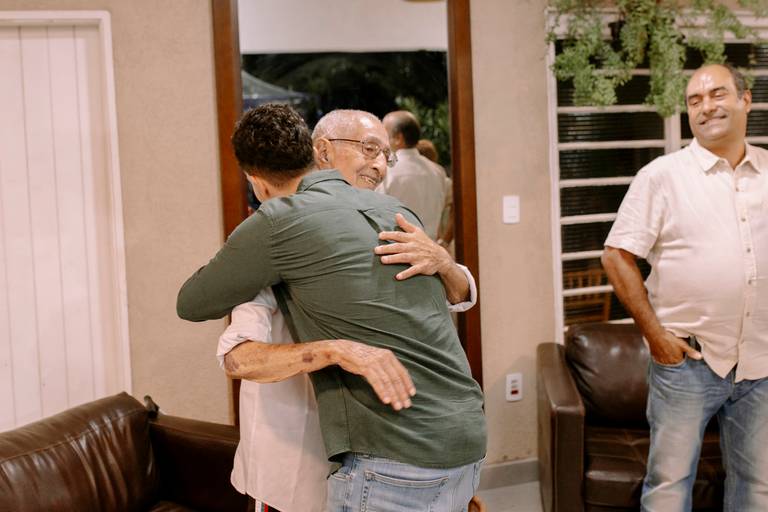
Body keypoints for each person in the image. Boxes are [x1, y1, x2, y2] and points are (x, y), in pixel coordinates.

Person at [178, 104, 486, 511]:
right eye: (367, 148)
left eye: (384, 154)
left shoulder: (287, 222)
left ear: (257, 183)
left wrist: (444, 263)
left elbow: (194, 305)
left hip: (392, 450)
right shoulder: (395, 213)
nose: (378, 164)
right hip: (462, 436)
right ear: (319, 151)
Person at [602, 63, 768, 511]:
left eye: (717, 94)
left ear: (745, 99)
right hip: (688, 364)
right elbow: (616, 256)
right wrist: (656, 336)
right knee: (669, 487)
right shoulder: (662, 176)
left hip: (761, 364)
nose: (705, 107)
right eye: (695, 100)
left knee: (758, 487)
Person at [377, 111, 447, 240]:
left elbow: (375, 213)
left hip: (395, 247)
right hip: (430, 246)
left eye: (384, 134)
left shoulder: (386, 171)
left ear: (398, 138)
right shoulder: (438, 171)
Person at [417, 138, 454, 248]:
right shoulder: (445, 181)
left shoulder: (444, 181)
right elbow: (455, 211)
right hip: (436, 241)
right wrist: (445, 241)